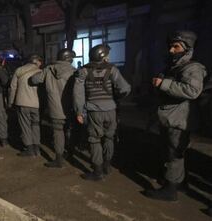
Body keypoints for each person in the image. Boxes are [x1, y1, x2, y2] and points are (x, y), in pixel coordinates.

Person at [143, 30, 206, 201]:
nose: (171, 50)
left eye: (176, 47)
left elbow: (193, 91)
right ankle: (180, 183)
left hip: (178, 120)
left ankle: (170, 190)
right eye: (171, 46)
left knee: (173, 155)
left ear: (187, 48)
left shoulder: (193, 68)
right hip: (171, 117)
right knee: (173, 152)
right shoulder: (175, 66)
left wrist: (164, 84)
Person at [74, 44, 130, 181]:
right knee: (109, 138)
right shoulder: (112, 70)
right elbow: (125, 88)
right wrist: (116, 98)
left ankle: (97, 172)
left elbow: (78, 94)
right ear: (103, 56)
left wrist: (79, 112)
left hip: (94, 111)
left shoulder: (83, 71)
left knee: (94, 140)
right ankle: (107, 165)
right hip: (111, 110)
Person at [30, 48, 76, 168]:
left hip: (55, 109)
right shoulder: (74, 71)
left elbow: (34, 79)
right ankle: (70, 153)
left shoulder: (48, 70)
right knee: (69, 130)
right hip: (70, 108)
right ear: (69, 59)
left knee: (58, 133)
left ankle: (59, 159)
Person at [8, 54, 43, 157]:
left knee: (25, 125)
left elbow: (13, 87)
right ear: (37, 62)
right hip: (36, 104)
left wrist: (10, 102)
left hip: (22, 103)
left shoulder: (19, 70)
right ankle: (37, 148)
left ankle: (29, 149)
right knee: (36, 125)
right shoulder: (41, 72)